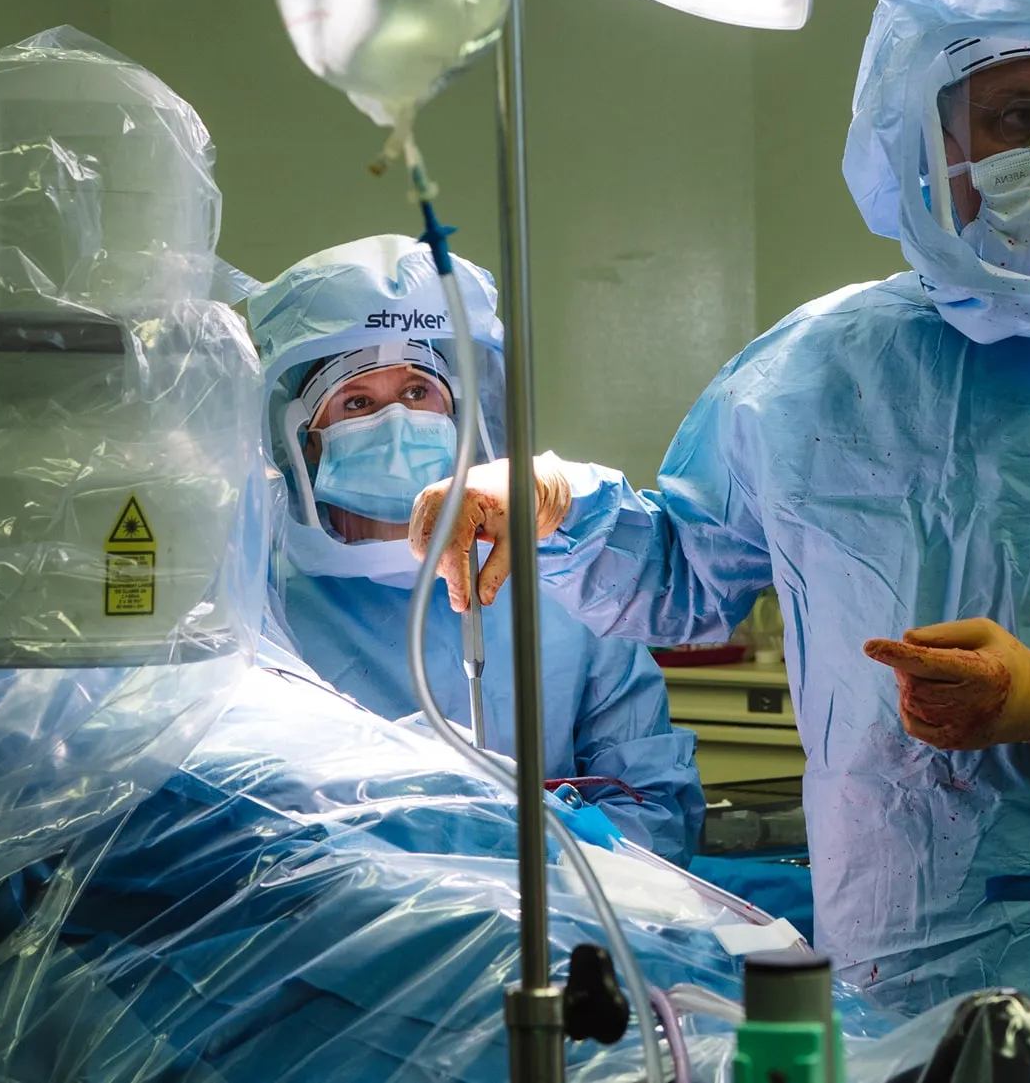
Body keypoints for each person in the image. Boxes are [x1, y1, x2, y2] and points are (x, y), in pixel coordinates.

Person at [415, 0, 1030, 1083]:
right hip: (896, 970)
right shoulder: (808, 377)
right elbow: (687, 580)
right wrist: (557, 506)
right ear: (915, 128)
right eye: (1014, 113)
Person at [245, 234, 706, 865]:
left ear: (461, 415)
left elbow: (656, 803)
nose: (397, 423)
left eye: (416, 392)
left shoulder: (560, 575)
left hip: (563, 925)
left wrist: (548, 861)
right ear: (309, 438)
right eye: (357, 403)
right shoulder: (261, 593)